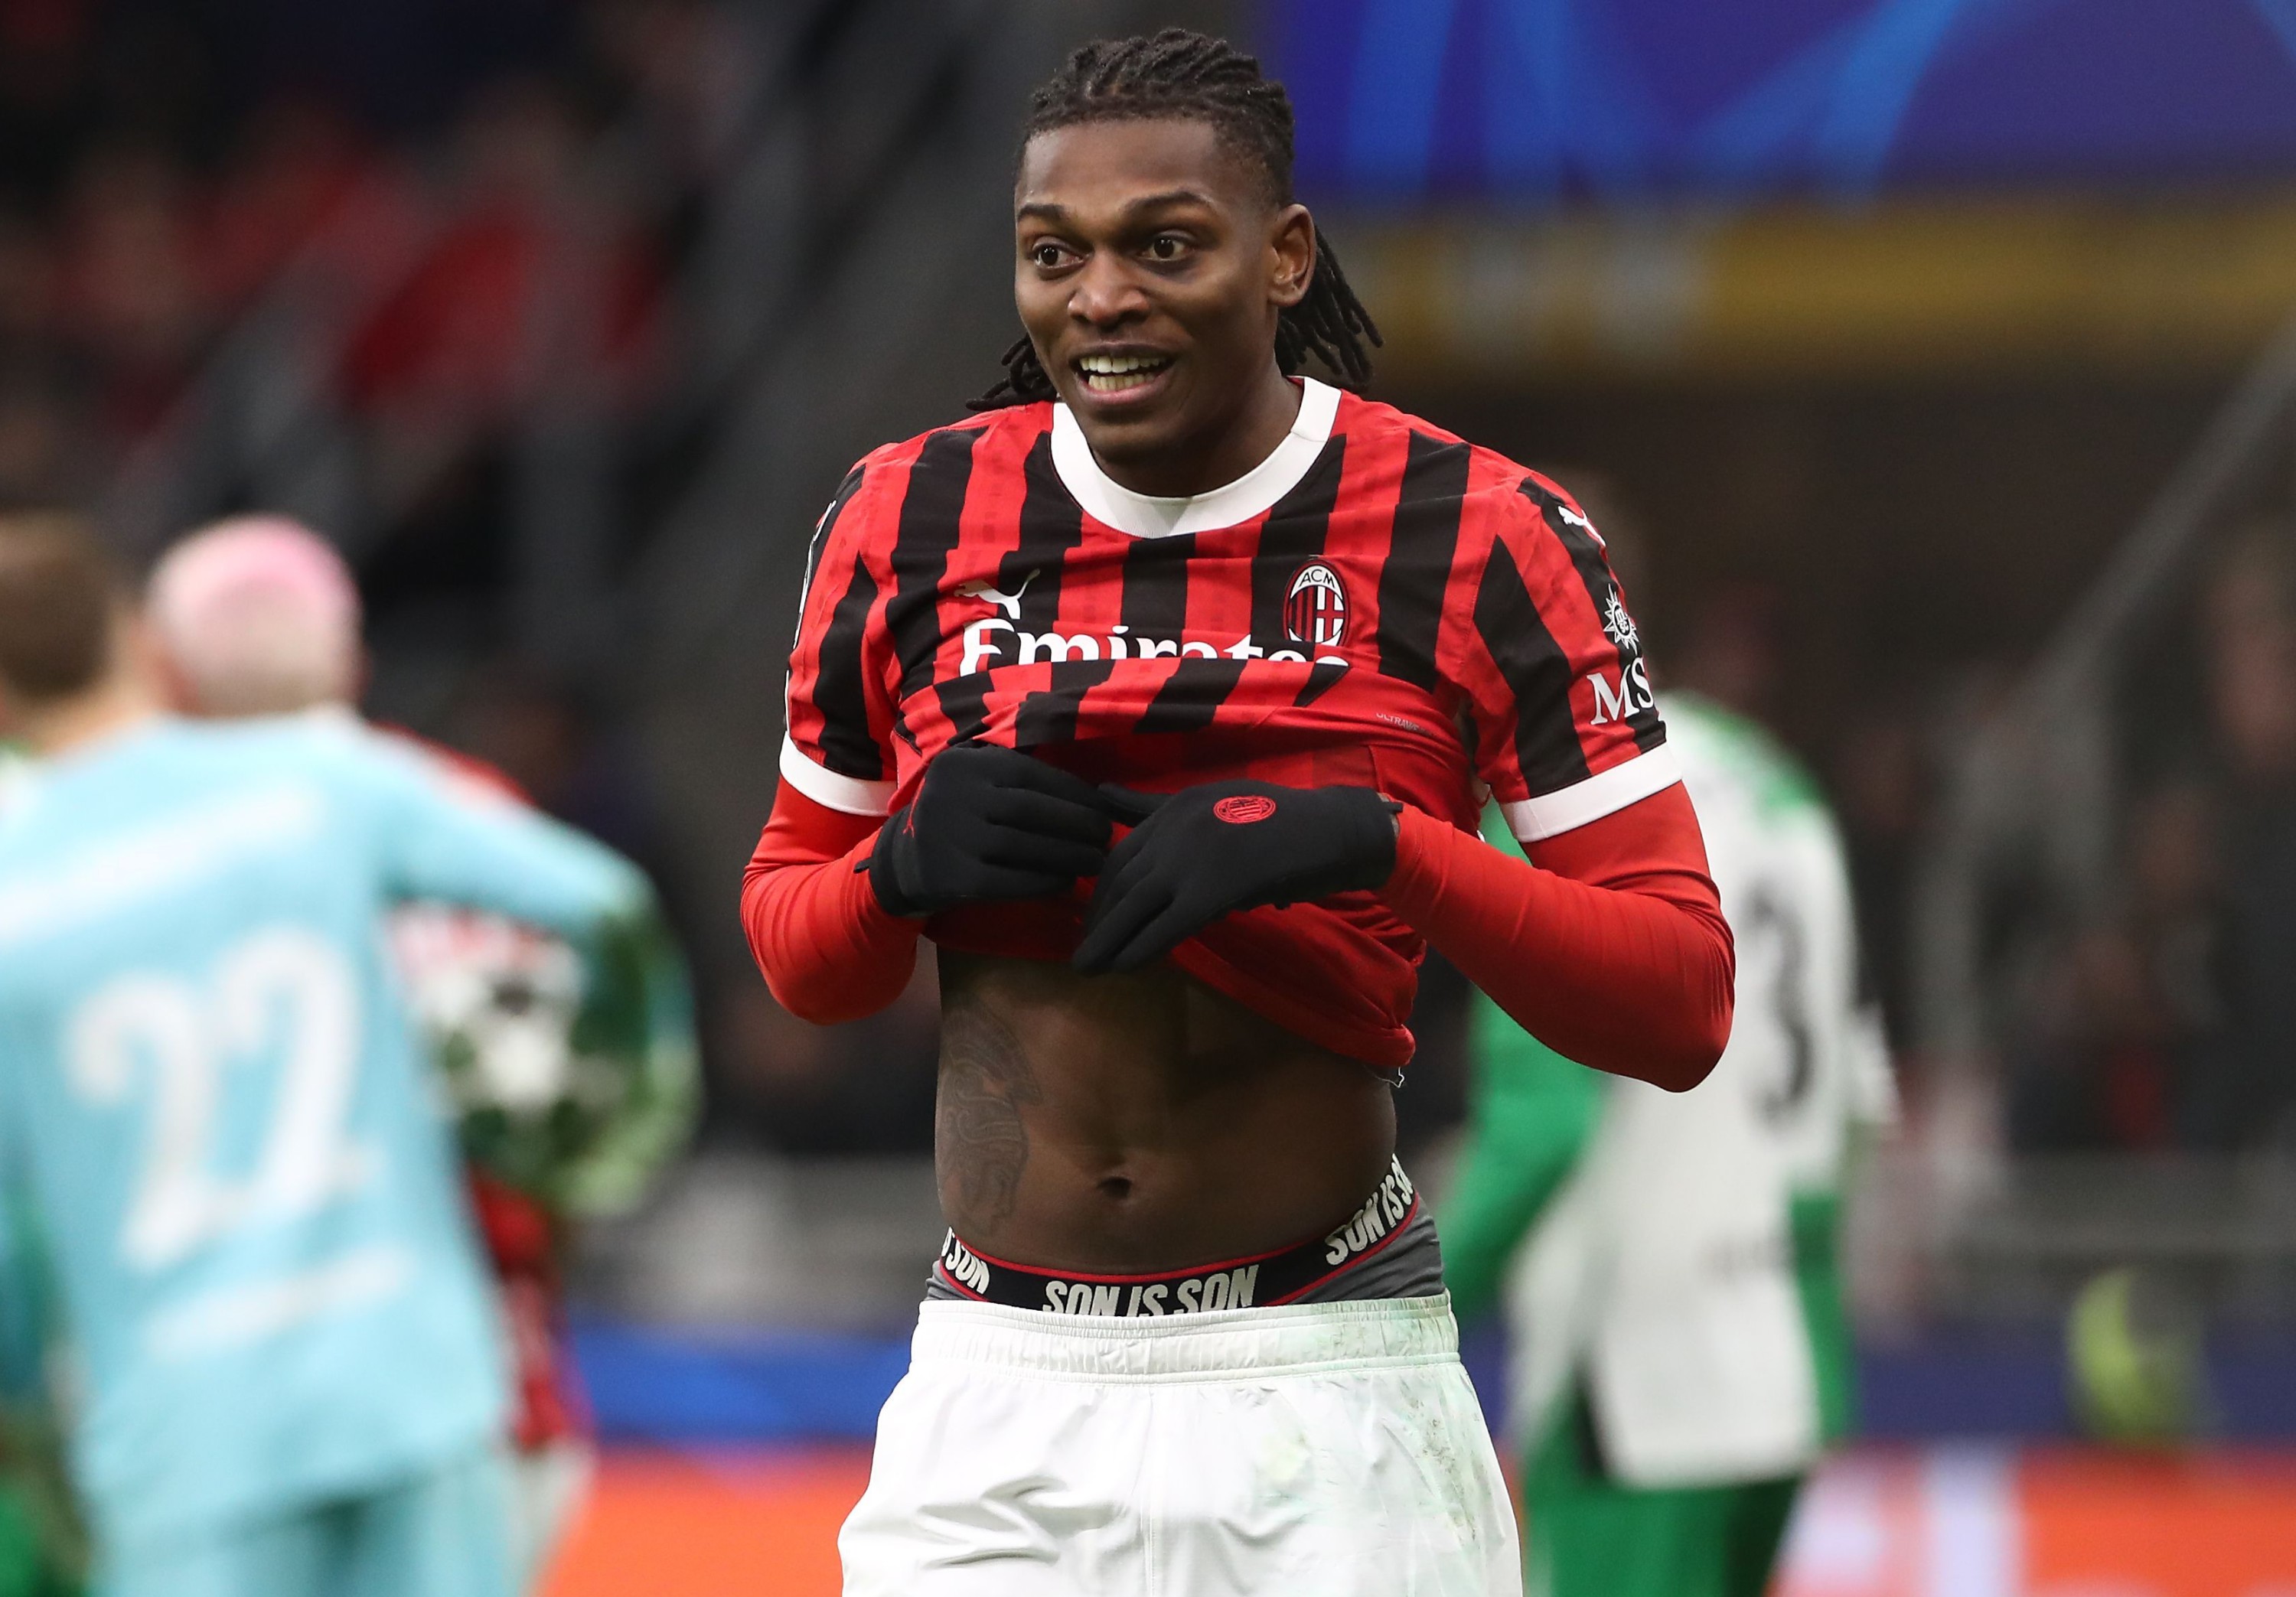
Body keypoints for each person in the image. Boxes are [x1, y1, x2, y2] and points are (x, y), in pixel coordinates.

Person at [742, 30, 1734, 1595]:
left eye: (1165, 244)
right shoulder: (902, 515)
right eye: (1051, 252)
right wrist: (898, 874)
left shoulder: (1486, 530)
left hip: (1330, 1378)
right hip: (1000, 1392)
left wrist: (1386, 845)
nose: (1100, 297)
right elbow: (805, 957)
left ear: (1285, 258)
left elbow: (1681, 1000)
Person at [0, 514, 660, 1597]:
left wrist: (31, 1409)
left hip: (184, 1426)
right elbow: (609, 911)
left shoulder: (22, 876)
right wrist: (609, 1143)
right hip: (435, 1380)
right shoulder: (357, 790)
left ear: (165, 660)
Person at [1443, 686, 1894, 1597]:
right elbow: (1860, 1096)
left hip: (1640, 1382)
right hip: (1789, 1357)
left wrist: (1394, 1303)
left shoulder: (1550, 805)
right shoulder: (1774, 779)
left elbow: (1544, 1128)